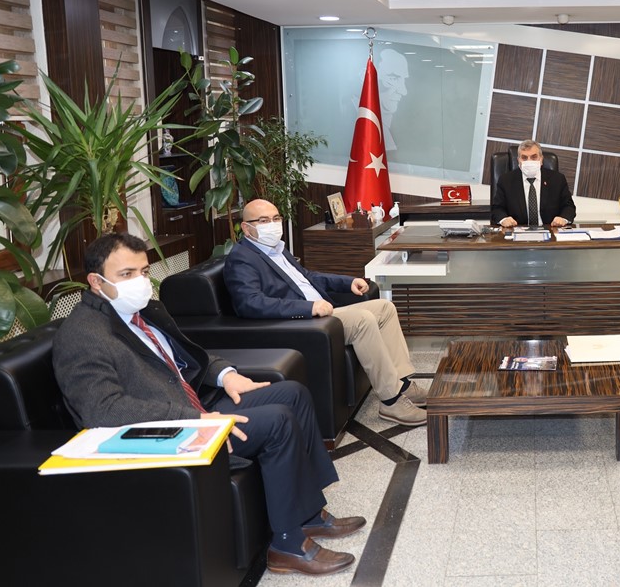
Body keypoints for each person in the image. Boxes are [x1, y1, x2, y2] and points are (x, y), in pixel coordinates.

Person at [52, 233, 365, 577]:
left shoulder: (146, 311)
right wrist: (194, 420)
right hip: (169, 431)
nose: (139, 282)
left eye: (143, 272)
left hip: (195, 406)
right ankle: (287, 546)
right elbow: (103, 410)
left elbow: (189, 355)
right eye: (126, 274)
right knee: (277, 420)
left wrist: (225, 375)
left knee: (292, 393)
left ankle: (308, 514)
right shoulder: (83, 334)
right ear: (96, 281)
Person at [224, 199, 426, 427]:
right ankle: (391, 401)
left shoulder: (277, 249)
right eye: (263, 221)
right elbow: (249, 303)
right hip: (302, 323)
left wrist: (347, 282)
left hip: (324, 313)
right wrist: (308, 308)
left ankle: (403, 384)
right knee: (363, 320)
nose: (272, 224)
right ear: (246, 228)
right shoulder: (242, 258)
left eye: (276, 218)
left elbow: (308, 278)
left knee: (384, 308)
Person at [491, 139, 577, 228]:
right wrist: (504, 219)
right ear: (518, 161)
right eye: (524, 158)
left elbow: (569, 207)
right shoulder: (506, 180)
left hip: (550, 230)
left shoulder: (557, 179)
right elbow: (497, 208)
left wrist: (563, 218)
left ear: (541, 159)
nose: (529, 161)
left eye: (534, 157)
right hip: (517, 231)